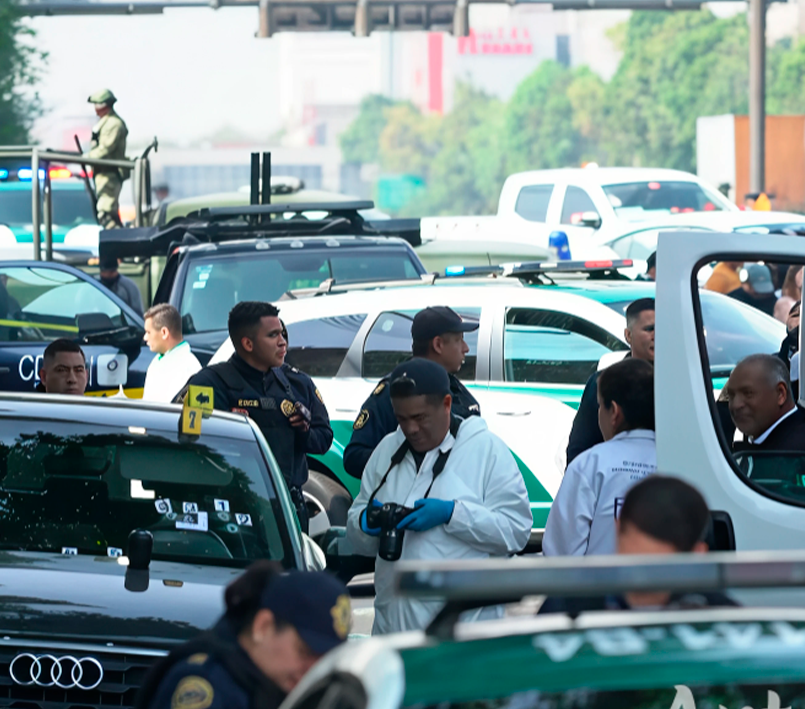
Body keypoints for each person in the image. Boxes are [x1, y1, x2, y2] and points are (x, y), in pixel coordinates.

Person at [346, 358, 531, 635]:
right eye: (401, 419)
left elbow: (516, 531)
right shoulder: (387, 450)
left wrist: (453, 514)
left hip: (461, 636)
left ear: (446, 404)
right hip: (391, 633)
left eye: (420, 418)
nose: (410, 429)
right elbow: (355, 527)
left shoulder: (486, 450)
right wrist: (365, 522)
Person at [177, 302, 331, 531]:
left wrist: (303, 431)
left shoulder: (298, 383)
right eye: (273, 335)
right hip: (232, 507)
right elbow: (187, 440)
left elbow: (324, 439)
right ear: (248, 344)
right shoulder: (208, 384)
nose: (282, 342)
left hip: (288, 508)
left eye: (282, 333)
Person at [135, 562, 350, 709]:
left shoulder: (281, 686)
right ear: (263, 626)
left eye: (324, 660)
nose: (312, 669)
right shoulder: (208, 684)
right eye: (304, 652)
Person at [539, 476, 736, 614]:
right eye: (636, 565)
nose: (643, 581)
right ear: (699, 553)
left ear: (617, 528)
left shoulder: (567, 606)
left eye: (658, 570)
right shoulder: (725, 622)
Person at [343, 306, 481, 479]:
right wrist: (408, 461)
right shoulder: (396, 391)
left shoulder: (458, 391)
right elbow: (354, 458)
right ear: (438, 345)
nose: (466, 348)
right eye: (459, 340)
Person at [544, 359, 656, 557]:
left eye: (600, 406)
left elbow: (561, 555)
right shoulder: (680, 465)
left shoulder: (589, 465)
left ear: (614, 412)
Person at [721, 354, 805, 487]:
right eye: (731, 396)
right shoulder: (775, 441)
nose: (736, 405)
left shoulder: (799, 455)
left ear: (780, 394)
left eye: (748, 393)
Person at [566, 298, 655, 464]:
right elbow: (579, 450)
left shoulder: (680, 385)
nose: (656, 336)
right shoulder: (604, 383)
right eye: (650, 329)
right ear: (628, 335)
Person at [86, 88, 129, 229]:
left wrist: (87, 157)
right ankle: (119, 239)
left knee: (106, 214)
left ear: (104, 105)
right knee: (109, 214)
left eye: (97, 104)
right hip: (102, 174)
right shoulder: (105, 122)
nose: (95, 108)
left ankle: (118, 239)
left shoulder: (113, 124)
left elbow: (105, 149)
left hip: (110, 174)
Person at [143, 303, 203, 402]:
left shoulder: (190, 368)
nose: (145, 338)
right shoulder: (158, 360)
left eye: (148, 332)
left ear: (164, 333)